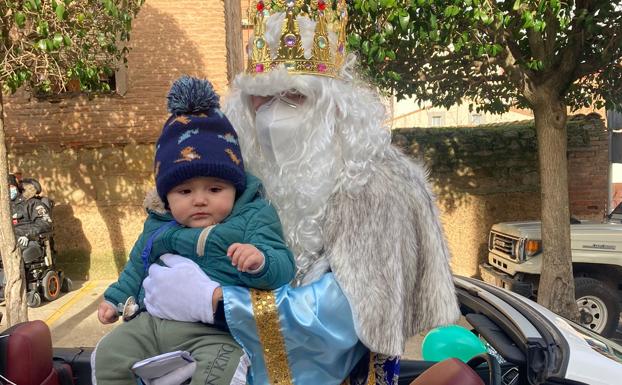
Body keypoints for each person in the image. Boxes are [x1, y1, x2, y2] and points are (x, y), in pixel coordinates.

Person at [142, 1, 460, 383]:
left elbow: (349, 315)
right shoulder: (240, 176)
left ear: (335, 106)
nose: (274, 116)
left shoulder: (381, 185)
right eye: (262, 99)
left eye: (294, 96)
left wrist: (217, 302)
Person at [92, 76, 296, 385]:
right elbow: (137, 266)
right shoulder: (159, 222)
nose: (200, 200)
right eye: (184, 192)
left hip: (213, 332)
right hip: (152, 324)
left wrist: (259, 262)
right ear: (166, 195)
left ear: (235, 186)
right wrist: (115, 299)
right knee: (108, 354)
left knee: (221, 368)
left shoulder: (253, 215)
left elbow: (283, 265)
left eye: (215, 189)